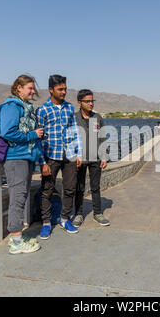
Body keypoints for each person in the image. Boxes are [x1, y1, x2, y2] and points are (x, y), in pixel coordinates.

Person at [0, 75, 43, 254]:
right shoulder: (11, 106)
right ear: (18, 88)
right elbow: (7, 132)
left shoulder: (26, 107)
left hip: (26, 158)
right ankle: (16, 242)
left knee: (21, 196)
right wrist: (33, 135)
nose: (33, 91)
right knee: (18, 197)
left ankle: (17, 237)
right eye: (29, 88)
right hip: (16, 158)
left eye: (33, 88)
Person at [36, 75, 82, 239]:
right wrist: (42, 162)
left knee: (70, 188)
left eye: (65, 89)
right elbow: (38, 139)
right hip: (51, 156)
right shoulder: (42, 110)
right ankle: (46, 223)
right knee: (47, 190)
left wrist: (79, 153)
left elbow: (75, 131)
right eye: (60, 89)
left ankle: (64, 219)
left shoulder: (69, 108)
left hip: (69, 155)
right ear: (51, 90)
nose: (64, 92)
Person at [73, 89, 110, 228]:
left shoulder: (98, 118)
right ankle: (78, 214)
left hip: (96, 159)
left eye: (92, 101)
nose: (90, 104)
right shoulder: (74, 118)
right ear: (79, 102)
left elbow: (102, 138)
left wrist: (104, 157)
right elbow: (71, 139)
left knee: (95, 187)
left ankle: (97, 213)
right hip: (79, 160)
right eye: (87, 101)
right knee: (79, 188)